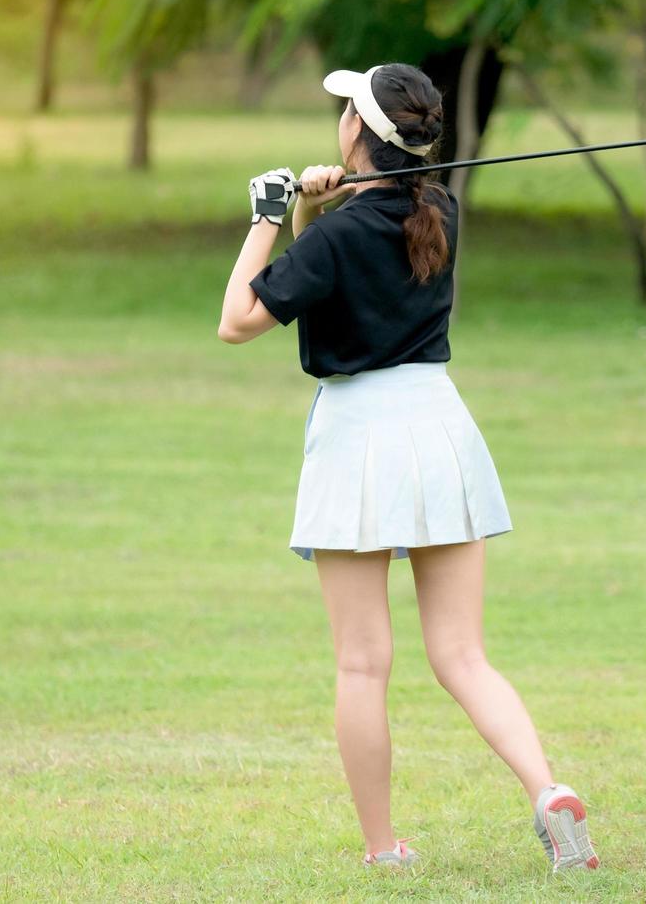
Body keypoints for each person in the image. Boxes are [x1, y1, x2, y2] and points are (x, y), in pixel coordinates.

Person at [217, 62, 599, 874]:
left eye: (344, 111)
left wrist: (267, 215)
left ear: (357, 133)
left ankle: (383, 848)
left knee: (363, 662)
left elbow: (238, 320)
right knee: (462, 654)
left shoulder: (337, 233)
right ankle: (545, 789)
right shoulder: (438, 209)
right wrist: (318, 206)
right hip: (439, 425)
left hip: (362, 436)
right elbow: (338, 260)